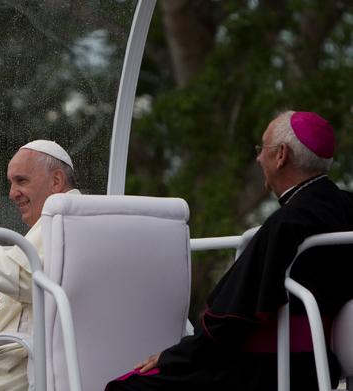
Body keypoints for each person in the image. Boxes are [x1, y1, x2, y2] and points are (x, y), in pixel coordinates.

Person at [106, 111, 353, 391]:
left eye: (263, 149)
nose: (259, 158)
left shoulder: (289, 222)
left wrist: (174, 356)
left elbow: (229, 321)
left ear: (281, 155)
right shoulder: (346, 207)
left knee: (127, 386)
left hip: (266, 368)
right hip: (317, 367)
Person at [0, 140, 79, 391]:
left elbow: (26, 278)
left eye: (21, 181)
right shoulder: (76, 218)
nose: (12, 193)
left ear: (56, 181)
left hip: (32, 363)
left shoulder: (65, 219)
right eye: (11, 183)